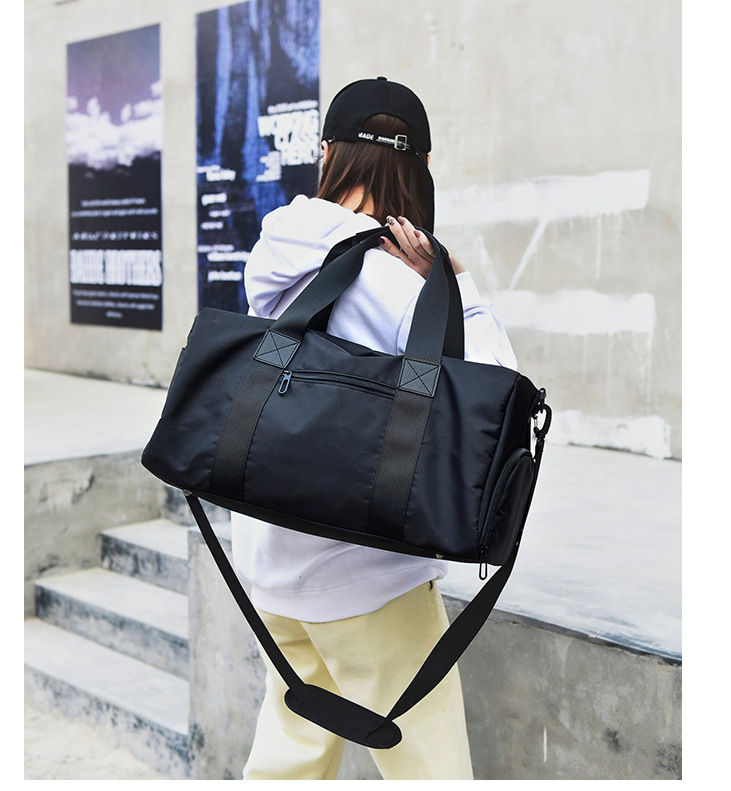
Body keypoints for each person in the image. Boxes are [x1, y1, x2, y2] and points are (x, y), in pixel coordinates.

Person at [231, 77, 517, 780]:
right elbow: (500, 384)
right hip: (365, 577)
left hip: (269, 557)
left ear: (326, 153)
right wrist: (455, 284)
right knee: (432, 769)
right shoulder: (396, 277)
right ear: (421, 169)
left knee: (288, 762)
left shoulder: (278, 247)